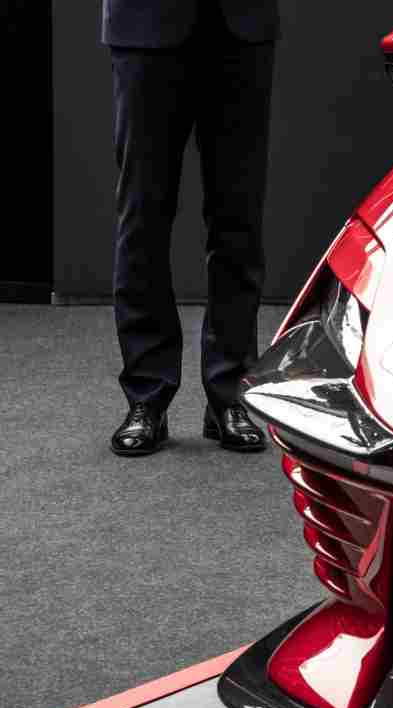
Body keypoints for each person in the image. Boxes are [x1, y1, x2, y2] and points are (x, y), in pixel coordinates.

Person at [104, 0, 280, 456]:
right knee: (142, 218)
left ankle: (230, 396)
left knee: (238, 217)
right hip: (144, 26)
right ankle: (146, 397)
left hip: (241, 28)